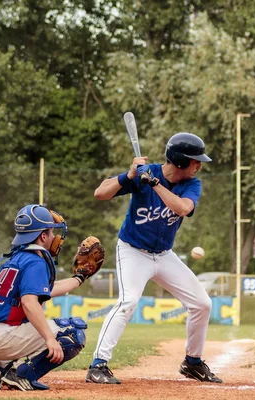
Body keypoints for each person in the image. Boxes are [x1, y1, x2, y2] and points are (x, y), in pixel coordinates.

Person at [86, 132, 222, 384]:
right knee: (128, 302)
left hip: (164, 255)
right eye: (195, 161)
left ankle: (192, 362)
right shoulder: (142, 174)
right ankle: (98, 365)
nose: (199, 165)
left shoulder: (192, 184)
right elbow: (100, 193)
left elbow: (182, 208)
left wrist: (155, 183)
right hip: (133, 251)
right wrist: (129, 176)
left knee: (202, 304)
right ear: (181, 161)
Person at [0, 204, 91, 391]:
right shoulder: (35, 261)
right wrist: (50, 339)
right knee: (73, 330)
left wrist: (79, 278)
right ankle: (21, 375)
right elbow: (28, 302)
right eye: (51, 232)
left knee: (20, 320)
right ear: (43, 236)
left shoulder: (14, 259)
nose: (54, 237)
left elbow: (45, 290)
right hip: (0, 339)